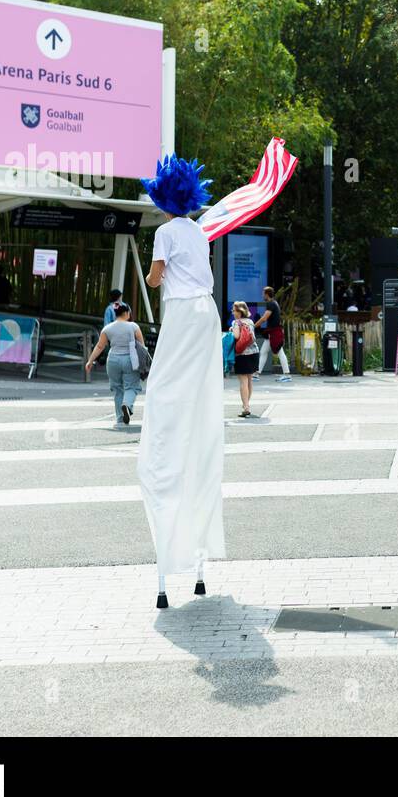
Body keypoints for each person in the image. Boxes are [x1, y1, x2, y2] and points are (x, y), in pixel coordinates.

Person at [139, 155, 225, 608]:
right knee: (197, 401)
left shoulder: (165, 232)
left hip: (181, 316)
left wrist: (154, 269)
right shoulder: (198, 230)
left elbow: (155, 279)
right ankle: (196, 566)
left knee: (162, 395)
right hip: (206, 314)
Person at [85, 301, 146, 427]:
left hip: (113, 360)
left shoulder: (108, 328)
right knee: (131, 387)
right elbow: (142, 347)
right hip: (130, 360)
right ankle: (127, 405)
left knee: (118, 389)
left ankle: (120, 419)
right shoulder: (133, 326)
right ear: (126, 313)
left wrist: (90, 361)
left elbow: (100, 346)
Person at [253, 285, 291, 382]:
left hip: (274, 333)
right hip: (272, 333)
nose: (262, 295)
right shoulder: (274, 303)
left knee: (279, 352)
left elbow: (264, 318)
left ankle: (287, 374)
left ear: (267, 294)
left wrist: (252, 326)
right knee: (264, 352)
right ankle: (257, 374)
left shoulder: (271, 304)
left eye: (263, 293)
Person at [229, 302, 258, 417]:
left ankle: (246, 407)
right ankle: (246, 404)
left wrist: (231, 329)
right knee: (249, 380)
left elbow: (236, 336)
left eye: (234, 310)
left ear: (239, 312)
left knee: (243, 381)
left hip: (242, 354)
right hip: (254, 353)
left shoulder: (236, 322)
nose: (232, 312)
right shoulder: (250, 322)